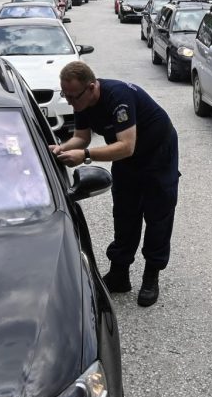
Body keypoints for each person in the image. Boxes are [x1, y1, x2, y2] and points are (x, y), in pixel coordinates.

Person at [49, 61, 179, 307]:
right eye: (65, 95)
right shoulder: (81, 100)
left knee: (158, 214)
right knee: (125, 212)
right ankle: (120, 273)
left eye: (73, 96)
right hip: (126, 158)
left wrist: (86, 156)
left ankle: (151, 274)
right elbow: (81, 137)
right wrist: (61, 148)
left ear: (91, 87)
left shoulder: (118, 97)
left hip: (157, 153)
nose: (69, 102)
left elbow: (126, 146)